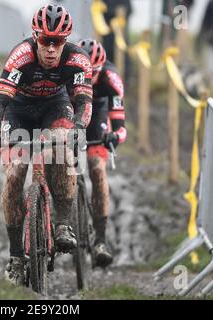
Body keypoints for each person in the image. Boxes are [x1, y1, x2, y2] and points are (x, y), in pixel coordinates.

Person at [0, 4, 93, 285]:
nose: (51, 49)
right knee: (15, 173)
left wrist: (79, 128)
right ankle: (16, 258)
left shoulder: (78, 59)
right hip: (18, 111)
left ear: (66, 41)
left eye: (58, 42)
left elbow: (84, 102)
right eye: (45, 40)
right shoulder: (21, 55)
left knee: (59, 147)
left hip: (55, 108)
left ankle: (63, 224)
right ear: (36, 37)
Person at [75, 39, 126, 268]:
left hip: (97, 114)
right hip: (72, 109)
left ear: (101, 68)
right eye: (83, 72)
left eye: (92, 72)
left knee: (97, 168)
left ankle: (101, 241)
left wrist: (114, 137)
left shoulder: (111, 80)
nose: (88, 77)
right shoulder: (67, 71)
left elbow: (120, 126)